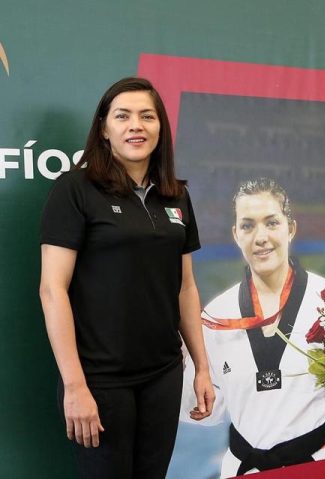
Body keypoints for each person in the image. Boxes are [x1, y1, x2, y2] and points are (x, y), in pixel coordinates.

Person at [39, 77, 215, 478]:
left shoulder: (176, 195)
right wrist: (75, 386)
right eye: (123, 116)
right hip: (100, 381)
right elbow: (52, 290)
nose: (136, 125)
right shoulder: (75, 190)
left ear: (160, 127)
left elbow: (184, 287)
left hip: (163, 375)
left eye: (146, 116)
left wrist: (202, 367)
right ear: (104, 129)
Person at [179, 178, 325, 477]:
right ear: (235, 235)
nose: (260, 237)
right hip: (245, 468)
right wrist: (178, 362)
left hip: (319, 463)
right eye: (248, 225)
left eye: (271, 223)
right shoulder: (215, 316)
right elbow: (203, 412)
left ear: (290, 228)